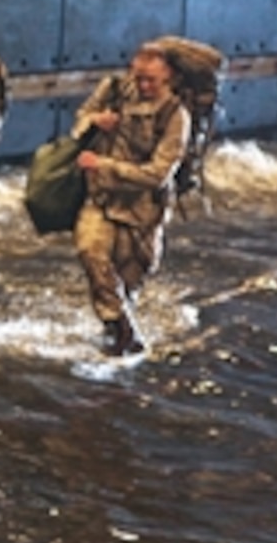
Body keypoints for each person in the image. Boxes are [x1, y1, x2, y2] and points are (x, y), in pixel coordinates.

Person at [72, 42, 190, 355]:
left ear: (170, 78)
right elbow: (80, 118)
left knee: (128, 281)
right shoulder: (114, 90)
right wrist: (95, 120)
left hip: (142, 213)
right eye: (139, 78)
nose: (143, 86)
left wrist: (104, 165)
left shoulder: (175, 116)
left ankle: (118, 338)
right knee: (90, 252)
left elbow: (157, 174)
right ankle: (121, 328)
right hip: (101, 199)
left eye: (152, 80)